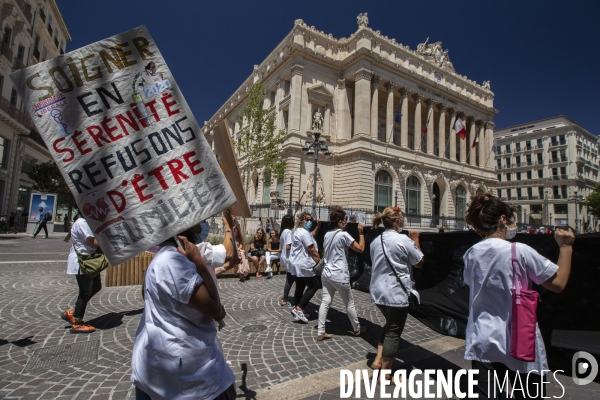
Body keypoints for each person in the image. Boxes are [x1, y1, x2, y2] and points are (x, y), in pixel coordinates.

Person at [463, 193, 575, 399]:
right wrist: (566, 247)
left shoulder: (471, 253)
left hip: (482, 338)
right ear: (503, 220)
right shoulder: (520, 251)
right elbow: (558, 284)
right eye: (511, 220)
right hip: (518, 341)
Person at [131, 218, 237, 400]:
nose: (204, 223)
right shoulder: (172, 260)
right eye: (199, 218)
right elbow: (216, 310)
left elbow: (231, 257)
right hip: (181, 374)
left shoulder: (179, 254)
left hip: (175, 367)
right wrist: (200, 264)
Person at [369, 206, 424, 373]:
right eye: (402, 220)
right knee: (393, 331)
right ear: (396, 221)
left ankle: (378, 360)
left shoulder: (375, 241)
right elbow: (419, 262)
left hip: (378, 290)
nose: (403, 223)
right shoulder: (402, 240)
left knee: (389, 324)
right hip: (395, 292)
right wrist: (415, 240)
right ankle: (385, 375)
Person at [317, 208, 367, 341]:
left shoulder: (327, 234)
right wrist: (361, 233)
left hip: (327, 273)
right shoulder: (343, 235)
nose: (346, 223)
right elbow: (360, 248)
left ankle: (321, 331)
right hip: (339, 274)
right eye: (344, 220)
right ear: (339, 222)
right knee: (349, 303)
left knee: (325, 301)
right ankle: (356, 328)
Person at [61, 217, 102, 333]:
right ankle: (77, 323)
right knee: (84, 293)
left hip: (90, 261)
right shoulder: (83, 222)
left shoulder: (87, 221)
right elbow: (94, 243)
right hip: (83, 262)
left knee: (96, 287)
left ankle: (72, 312)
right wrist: (106, 237)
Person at [289, 211, 320, 323]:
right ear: (301, 220)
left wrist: (319, 225)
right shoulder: (303, 233)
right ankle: (299, 308)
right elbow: (312, 249)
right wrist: (319, 262)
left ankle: (299, 310)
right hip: (304, 263)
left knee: (300, 286)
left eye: (311, 219)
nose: (309, 221)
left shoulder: (297, 231)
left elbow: (312, 235)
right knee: (315, 285)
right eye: (307, 219)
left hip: (296, 263)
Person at [279, 215, 295, 307]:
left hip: (284, 257)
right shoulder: (288, 232)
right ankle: (285, 299)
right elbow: (288, 246)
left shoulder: (283, 232)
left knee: (290, 279)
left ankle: (285, 298)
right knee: (290, 279)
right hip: (289, 258)